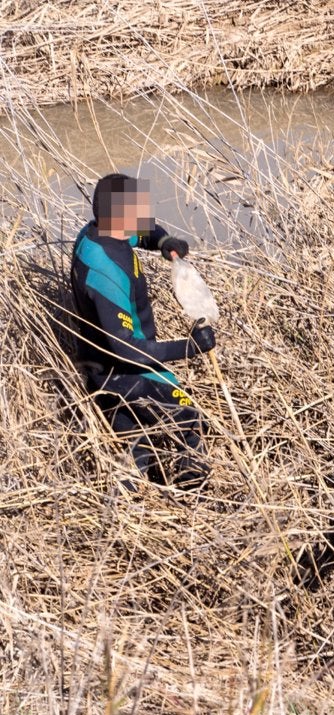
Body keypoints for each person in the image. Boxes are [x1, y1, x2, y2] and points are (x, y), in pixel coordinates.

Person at [70, 173, 216, 490]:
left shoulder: (97, 233)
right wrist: (188, 348)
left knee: (134, 447)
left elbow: (147, 231)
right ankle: (196, 505)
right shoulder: (105, 270)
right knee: (191, 421)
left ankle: (128, 512)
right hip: (125, 374)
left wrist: (165, 243)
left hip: (102, 370)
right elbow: (126, 349)